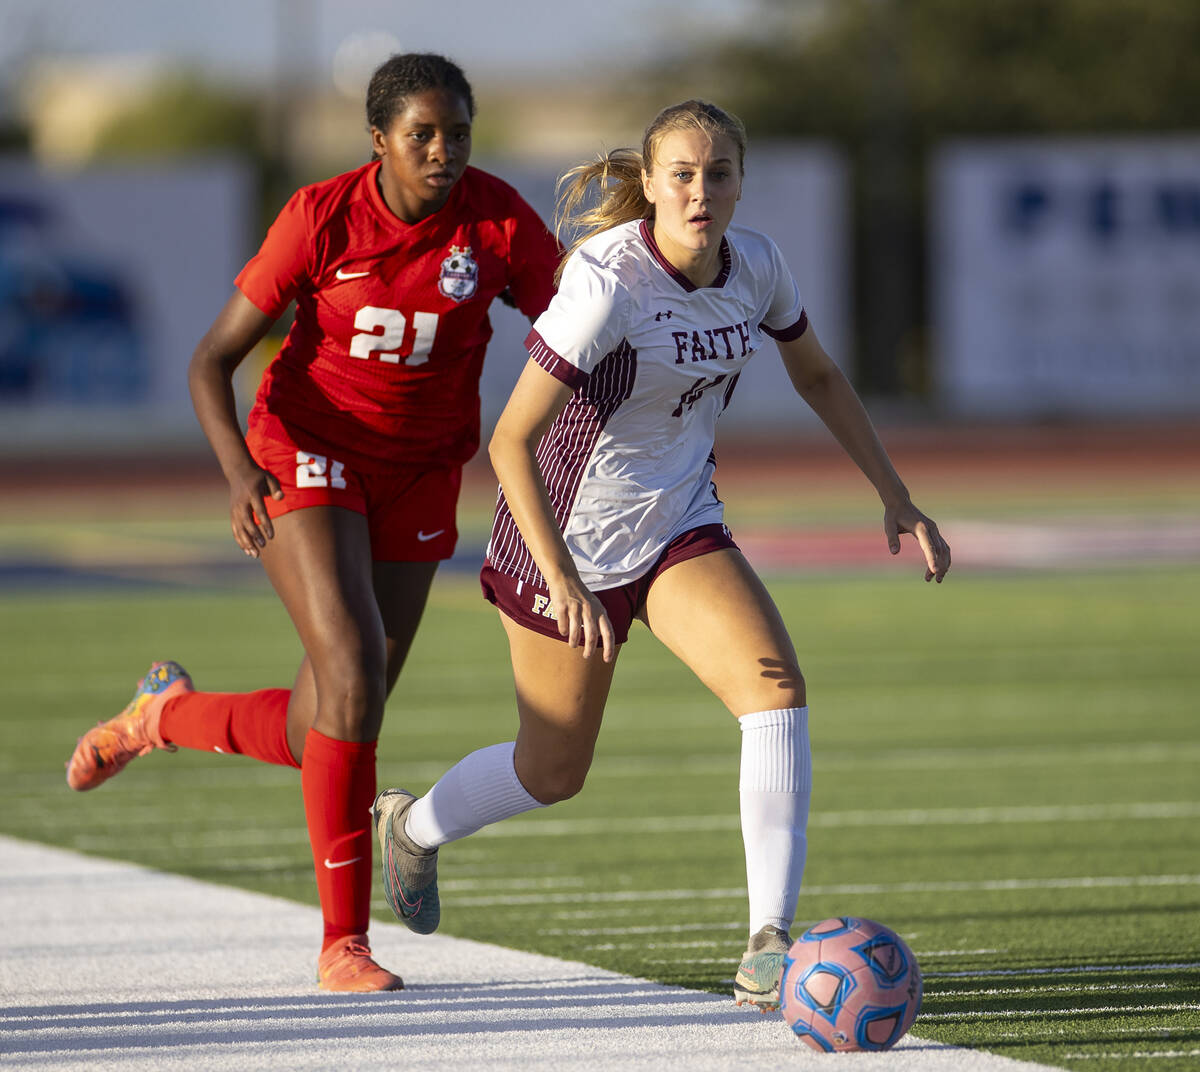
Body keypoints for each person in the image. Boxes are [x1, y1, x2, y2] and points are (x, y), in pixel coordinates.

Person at [371, 98, 951, 1009]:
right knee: (552, 771)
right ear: (648, 185)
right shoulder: (608, 282)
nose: (700, 192)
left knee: (775, 692)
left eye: (718, 174)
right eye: (680, 174)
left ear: (738, 183)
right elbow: (511, 440)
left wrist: (896, 494)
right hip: (561, 540)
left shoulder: (756, 264)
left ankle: (769, 945)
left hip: (678, 524)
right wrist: (558, 574)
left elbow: (820, 375)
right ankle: (414, 827)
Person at [63, 53, 560, 992]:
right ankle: (343, 943)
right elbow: (211, 361)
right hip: (307, 449)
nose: (444, 150)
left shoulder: (496, 220)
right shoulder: (321, 215)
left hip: (421, 472)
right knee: (355, 673)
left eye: (458, 131)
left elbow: (570, 319)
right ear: (379, 141)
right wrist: (240, 474)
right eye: (423, 134)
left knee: (326, 717)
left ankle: (162, 716)